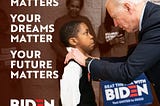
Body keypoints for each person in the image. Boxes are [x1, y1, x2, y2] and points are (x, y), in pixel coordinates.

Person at [64, 0, 160, 103]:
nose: (115, 24)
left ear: (128, 7)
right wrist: (94, 60)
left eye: (115, 17)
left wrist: (87, 61)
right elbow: (131, 60)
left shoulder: (156, 23)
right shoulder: (149, 20)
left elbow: (127, 71)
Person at [50, 0, 96, 79]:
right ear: (68, 6)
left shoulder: (85, 21)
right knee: (66, 89)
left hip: (82, 62)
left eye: (77, 7)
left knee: (83, 89)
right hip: (64, 62)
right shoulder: (60, 21)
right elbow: (54, 43)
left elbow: (93, 40)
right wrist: (69, 56)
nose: (74, 9)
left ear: (80, 8)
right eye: (72, 6)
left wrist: (82, 55)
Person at [60, 21, 97, 106]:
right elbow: (69, 102)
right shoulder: (72, 67)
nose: (91, 36)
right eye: (86, 33)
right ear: (73, 41)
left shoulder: (82, 62)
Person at [0, 9, 23, 106]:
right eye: (1, 19)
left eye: (5, 18)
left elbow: (20, 59)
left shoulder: (12, 40)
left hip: (14, 83)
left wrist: (17, 74)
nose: (4, 21)